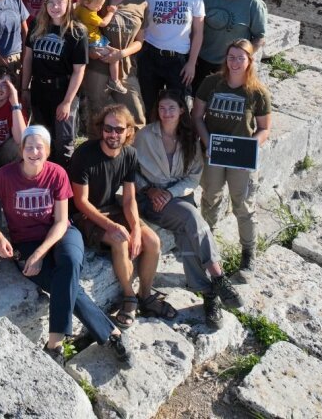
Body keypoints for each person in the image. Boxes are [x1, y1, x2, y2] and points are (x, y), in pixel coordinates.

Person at [0, 125, 130, 365]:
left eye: (39, 147)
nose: (34, 152)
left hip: (62, 233)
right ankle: (111, 333)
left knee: (70, 262)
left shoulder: (57, 173)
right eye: (29, 147)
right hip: (25, 241)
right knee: (64, 284)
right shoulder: (5, 176)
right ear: (21, 149)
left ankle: (55, 344)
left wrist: (40, 253)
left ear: (47, 151)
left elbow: (60, 222)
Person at [133, 89, 242, 328]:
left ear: (182, 110)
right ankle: (219, 277)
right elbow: (130, 169)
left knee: (187, 234)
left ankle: (209, 294)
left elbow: (193, 177)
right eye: (162, 108)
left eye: (171, 108)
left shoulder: (189, 138)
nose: (166, 113)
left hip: (177, 197)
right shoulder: (145, 136)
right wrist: (150, 190)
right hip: (150, 199)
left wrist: (170, 193)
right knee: (192, 217)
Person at [69, 104, 175, 329]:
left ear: (129, 131)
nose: (113, 134)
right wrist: (113, 226)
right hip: (85, 216)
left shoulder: (129, 154)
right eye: (108, 128)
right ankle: (129, 297)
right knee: (120, 240)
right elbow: (81, 202)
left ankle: (146, 295)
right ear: (101, 129)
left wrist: (135, 228)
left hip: (113, 206)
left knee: (152, 241)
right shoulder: (84, 154)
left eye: (119, 129)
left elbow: (128, 199)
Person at [193, 39, 272, 276]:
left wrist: (249, 147)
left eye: (240, 58)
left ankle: (248, 253)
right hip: (213, 153)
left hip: (240, 157)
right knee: (210, 198)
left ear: (249, 60)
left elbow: (264, 128)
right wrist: (207, 142)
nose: (235, 62)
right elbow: (197, 116)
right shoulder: (211, 83)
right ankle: (208, 246)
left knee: (243, 205)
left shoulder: (257, 92)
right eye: (231, 57)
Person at [81, 0, 148, 135]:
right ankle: (96, 150)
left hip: (125, 67)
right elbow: (81, 22)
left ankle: (133, 151)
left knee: (136, 115)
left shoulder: (141, 3)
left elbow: (140, 41)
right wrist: (90, 50)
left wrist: (121, 54)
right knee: (97, 114)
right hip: (98, 65)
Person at [20, 0, 86, 164]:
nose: (55, 6)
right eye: (51, 2)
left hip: (63, 91)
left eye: (60, 2)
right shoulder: (36, 25)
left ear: (68, 4)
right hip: (39, 89)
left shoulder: (77, 31)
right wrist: (24, 89)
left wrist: (67, 102)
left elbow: (79, 71)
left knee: (63, 143)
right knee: (41, 138)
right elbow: (28, 58)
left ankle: (63, 179)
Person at [139, 0, 205, 119]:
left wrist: (191, 63)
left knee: (180, 108)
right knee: (149, 105)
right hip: (151, 54)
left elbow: (198, 32)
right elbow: (141, 25)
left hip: (178, 60)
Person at [195, 0, 267, 94]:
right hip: (201, 60)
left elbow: (259, 37)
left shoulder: (253, 4)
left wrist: (242, 58)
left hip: (231, 66)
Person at [74, 0, 126, 95]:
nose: (100, 8)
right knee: (115, 56)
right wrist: (111, 12)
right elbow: (103, 23)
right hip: (94, 43)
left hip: (91, 40)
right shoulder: (89, 15)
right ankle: (114, 81)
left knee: (116, 52)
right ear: (86, 2)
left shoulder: (79, 8)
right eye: (98, 5)